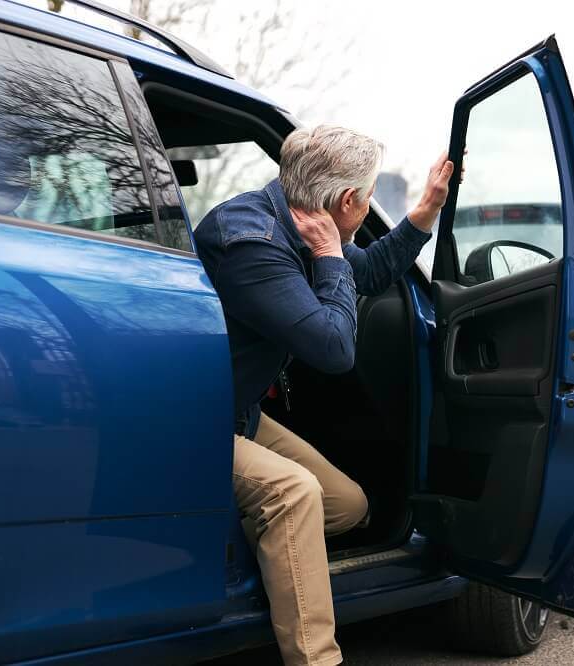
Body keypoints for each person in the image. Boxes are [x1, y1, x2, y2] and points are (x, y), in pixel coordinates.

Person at [193, 125, 452, 665]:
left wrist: (425, 210)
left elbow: (373, 272)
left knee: (349, 505)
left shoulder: (300, 220)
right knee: (293, 494)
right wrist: (333, 257)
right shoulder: (253, 243)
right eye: (370, 196)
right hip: (196, 421)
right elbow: (334, 350)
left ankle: (250, 553)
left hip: (237, 413)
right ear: (348, 201)